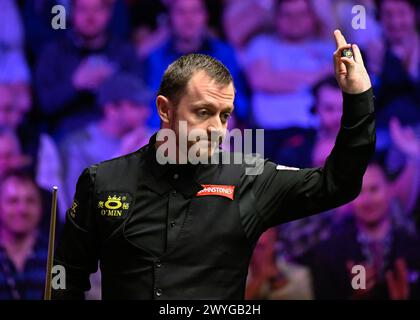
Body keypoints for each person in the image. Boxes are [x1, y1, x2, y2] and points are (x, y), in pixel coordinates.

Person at [53, 30, 375, 299]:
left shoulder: (250, 179)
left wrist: (358, 98)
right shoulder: (102, 181)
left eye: (224, 115)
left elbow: (337, 184)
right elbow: (66, 279)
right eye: (203, 112)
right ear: (165, 110)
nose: (217, 129)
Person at [310, 163, 420, 300]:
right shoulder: (328, 254)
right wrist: (357, 297)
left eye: (374, 189)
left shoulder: (414, 248)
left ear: (390, 190)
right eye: (358, 192)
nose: (367, 201)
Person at [35, 0, 143, 137]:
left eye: (97, 10)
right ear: (72, 12)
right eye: (83, 9)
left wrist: (112, 86)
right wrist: (75, 84)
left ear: (109, 13)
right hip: (67, 136)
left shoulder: (124, 52)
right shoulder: (54, 52)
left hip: (117, 138)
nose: (90, 17)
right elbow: (43, 105)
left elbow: (139, 101)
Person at [60, 73, 153, 219]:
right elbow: (78, 207)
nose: (146, 112)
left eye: (145, 105)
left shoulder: (151, 139)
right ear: (111, 109)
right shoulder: (79, 146)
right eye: (136, 105)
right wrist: (122, 155)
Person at [145, 0, 249, 126]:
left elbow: (239, 101)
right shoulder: (156, 58)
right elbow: (152, 106)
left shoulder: (225, 54)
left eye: (195, 11)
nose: (188, 19)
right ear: (170, 18)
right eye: (181, 12)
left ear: (205, 16)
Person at [0, 171, 48, 300]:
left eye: (30, 201)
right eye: (13, 201)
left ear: (41, 207)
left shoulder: (57, 255)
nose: (22, 209)